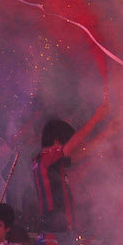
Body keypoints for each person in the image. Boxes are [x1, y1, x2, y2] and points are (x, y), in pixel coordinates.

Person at [31, 93, 112, 236]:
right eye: (67, 141)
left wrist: (108, 132)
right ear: (57, 140)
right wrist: (95, 119)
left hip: (61, 229)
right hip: (56, 231)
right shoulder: (46, 158)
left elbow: (83, 152)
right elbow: (72, 147)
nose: (71, 146)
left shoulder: (50, 161)